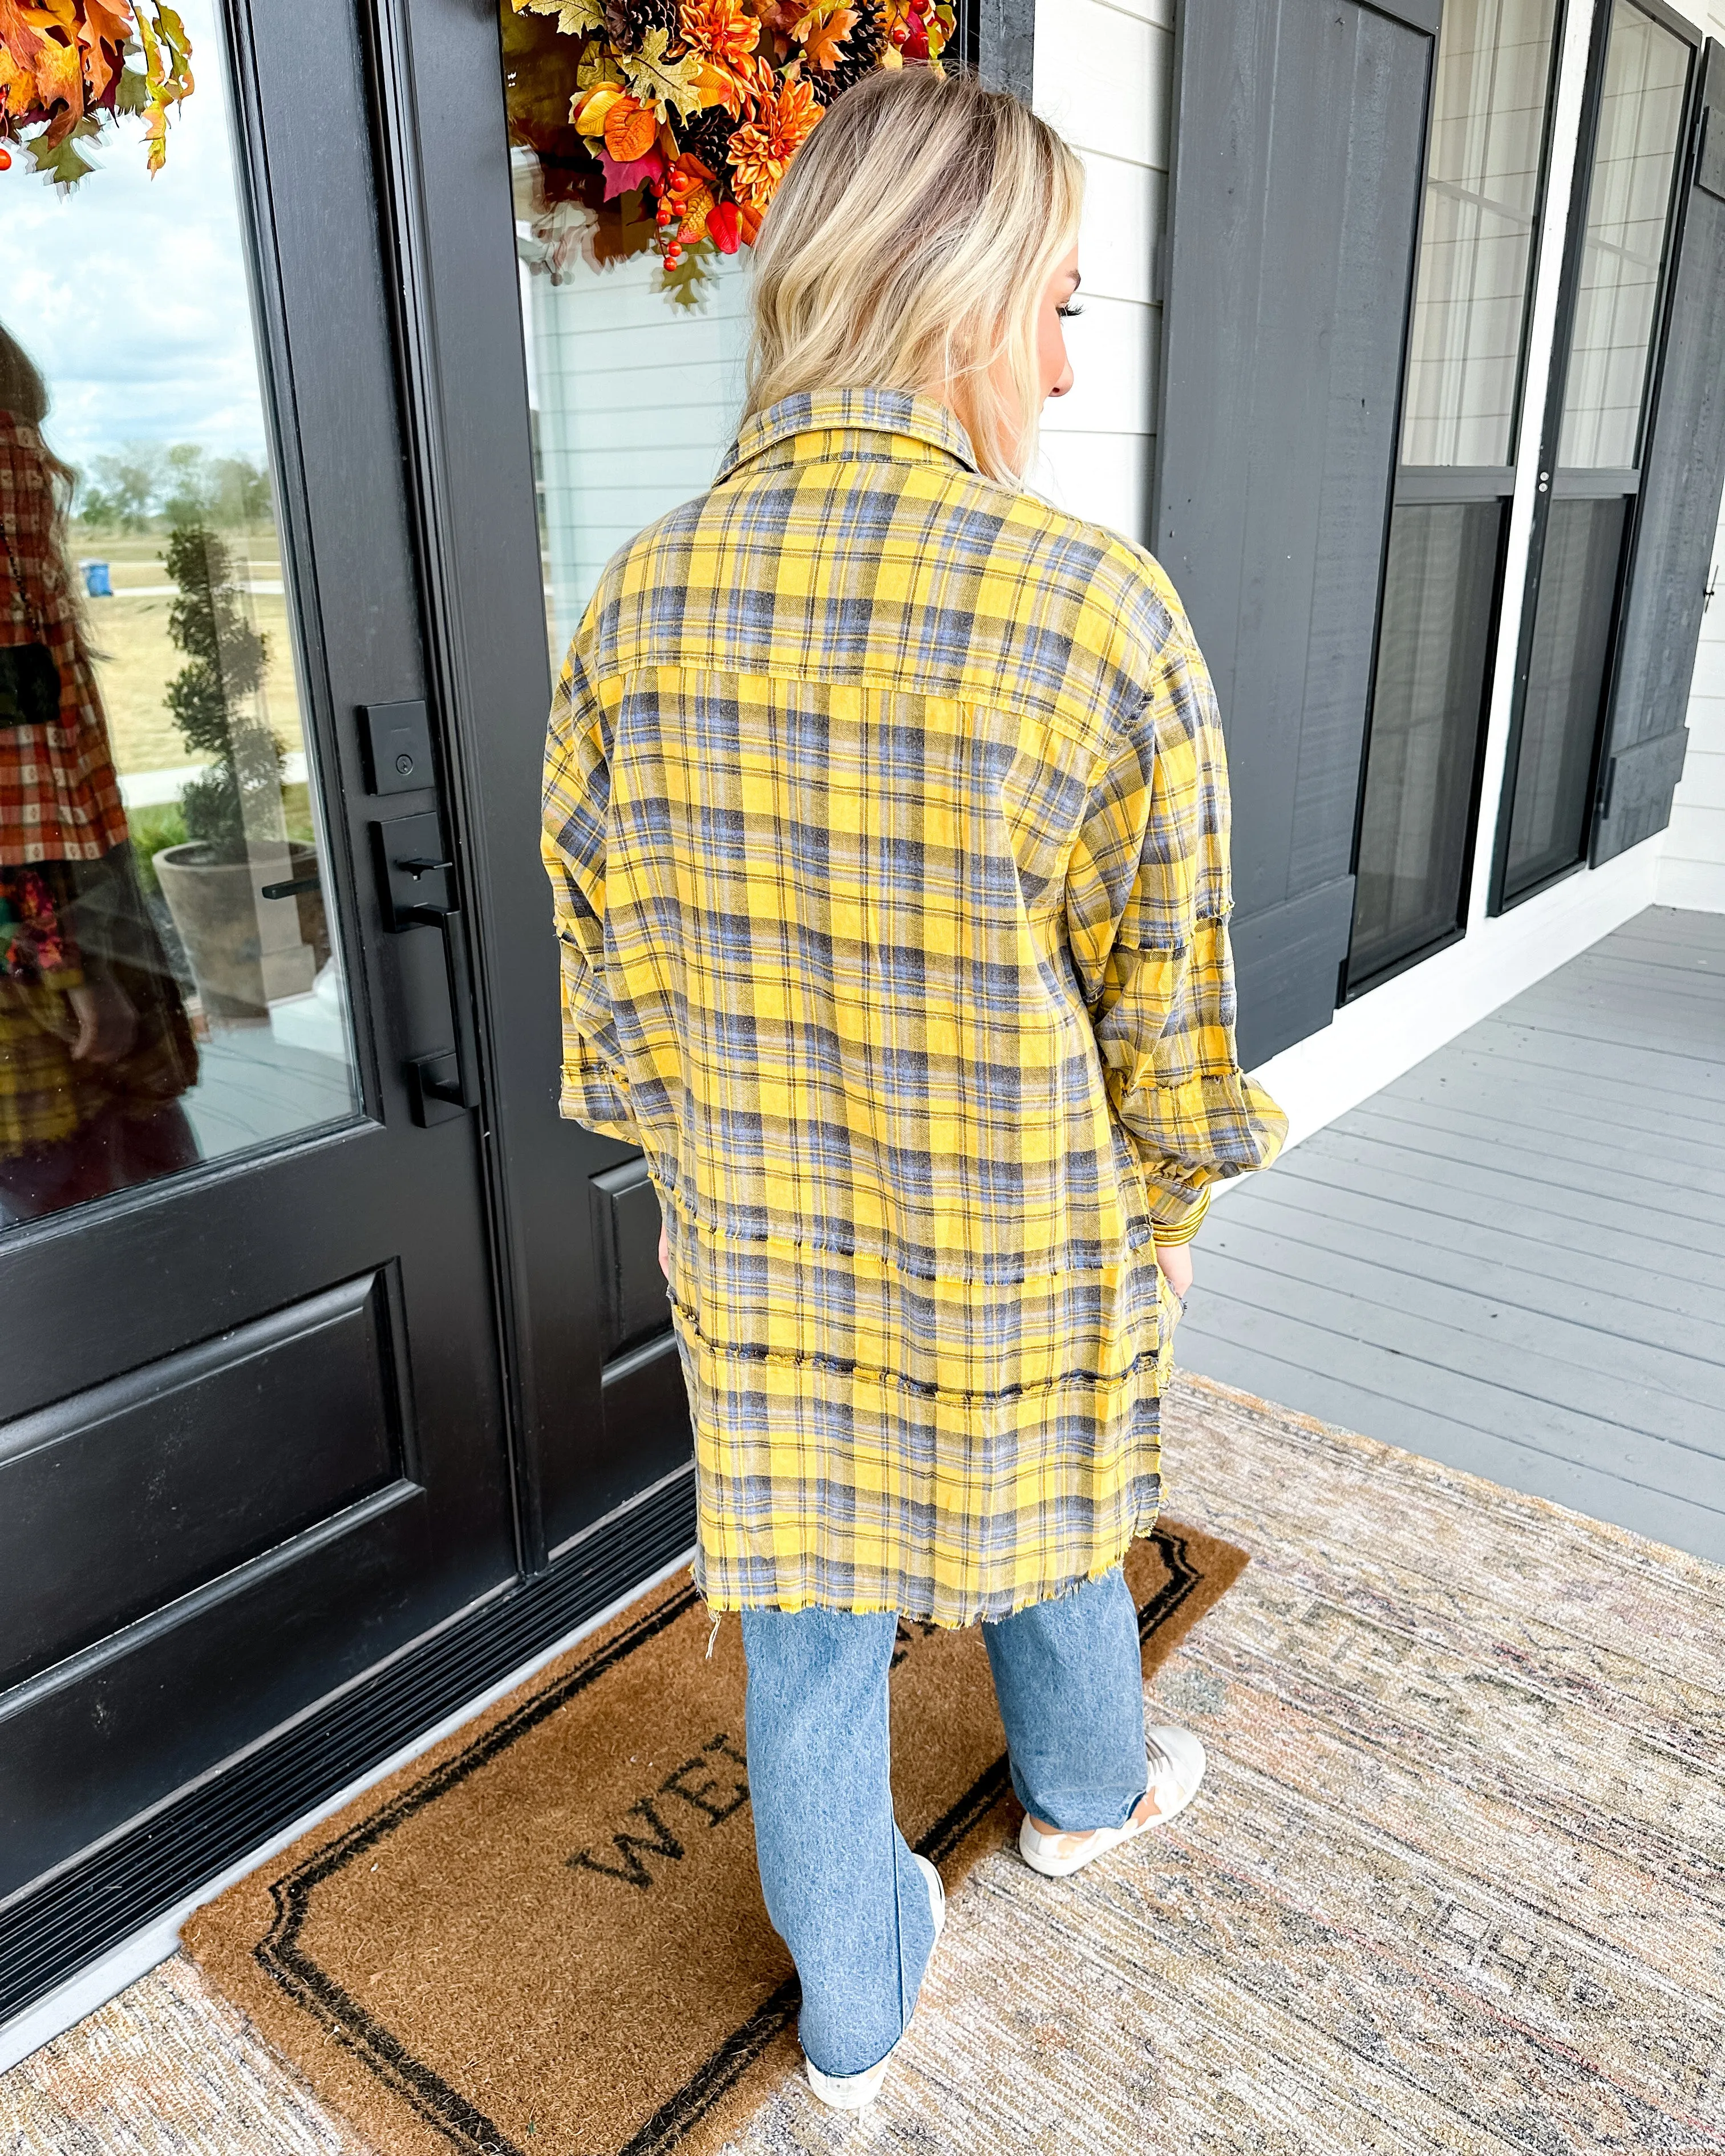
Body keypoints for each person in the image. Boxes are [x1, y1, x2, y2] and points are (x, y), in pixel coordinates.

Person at [542, 70, 1286, 2111]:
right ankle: (1083, 1794)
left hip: (770, 1242)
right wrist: (1161, 1222)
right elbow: (1167, 1027)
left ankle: (855, 2007)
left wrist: (733, 1152)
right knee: (1048, 1499)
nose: (1061, 354)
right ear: (958, 304)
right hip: (1017, 1223)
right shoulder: (1091, 610)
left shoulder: (637, 607)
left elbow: (609, 1012)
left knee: (803, 1613)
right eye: (1055, 302)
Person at [0, 324, 199, 1224]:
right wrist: (74, 970)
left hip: (53, 918)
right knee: (85, 1192)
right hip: (41, 944)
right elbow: (20, 789)